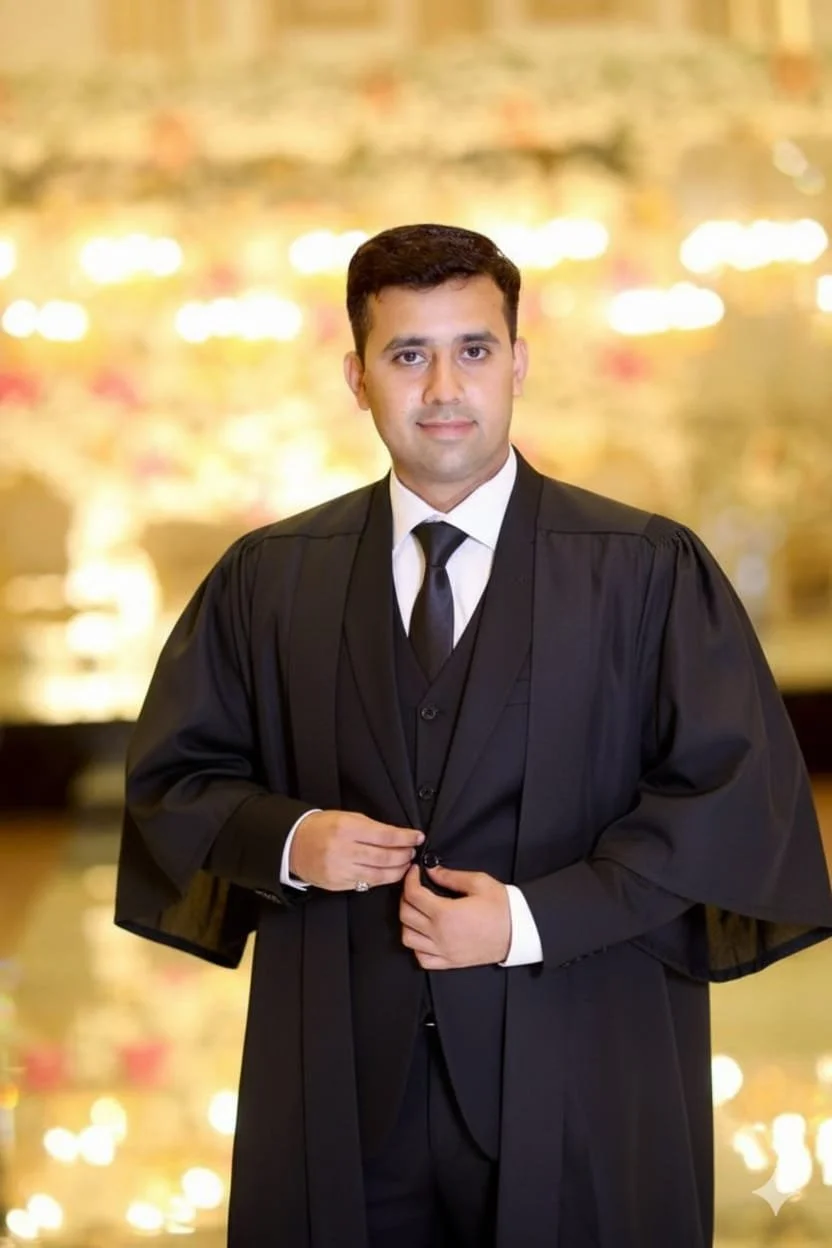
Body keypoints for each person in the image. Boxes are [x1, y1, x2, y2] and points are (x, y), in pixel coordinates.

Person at [115, 223, 832, 1248]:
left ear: (518, 364)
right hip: (339, 1082)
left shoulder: (643, 571)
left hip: (583, 1060)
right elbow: (176, 779)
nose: (444, 388)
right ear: (358, 378)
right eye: (408, 354)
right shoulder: (270, 579)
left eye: (474, 350)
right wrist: (292, 839)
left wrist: (528, 921)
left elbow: (728, 802)